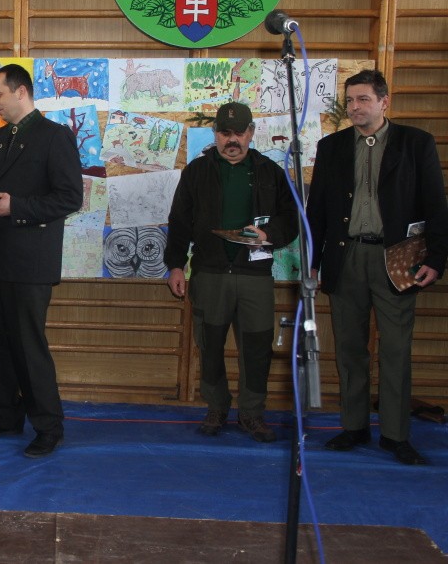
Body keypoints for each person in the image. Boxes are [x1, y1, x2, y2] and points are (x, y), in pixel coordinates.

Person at [307, 69, 447, 465]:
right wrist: (312, 263)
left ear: (384, 102)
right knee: (349, 348)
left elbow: (436, 204)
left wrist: (436, 260)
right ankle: (353, 426)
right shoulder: (331, 146)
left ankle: (395, 435)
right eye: (350, 100)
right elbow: (317, 210)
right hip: (346, 257)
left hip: (397, 259)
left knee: (396, 349)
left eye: (363, 99)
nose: (355, 107)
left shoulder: (415, 143)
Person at [0, 64, 83, 458]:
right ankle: (6, 414)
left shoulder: (55, 137)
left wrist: (18, 207)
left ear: (21, 92)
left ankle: (48, 426)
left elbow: (70, 197)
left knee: (29, 346)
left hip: (30, 262)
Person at [164, 102, 297, 443]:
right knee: (209, 346)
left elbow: (291, 219)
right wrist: (175, 265)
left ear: (251, 133)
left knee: (257, 348)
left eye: (239, 133)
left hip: (255, 276)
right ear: (216, 134)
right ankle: (217, 407)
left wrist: (268, 234)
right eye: (225, 133)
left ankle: (252, 413)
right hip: (209, 274)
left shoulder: (271, 172)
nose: (232, 140)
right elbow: (179, 221)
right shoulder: (197, 171)